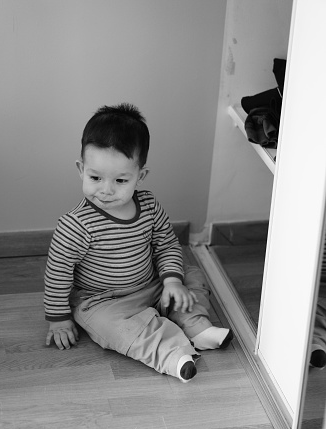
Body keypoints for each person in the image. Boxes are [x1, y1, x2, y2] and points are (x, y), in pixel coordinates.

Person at [44, 103, 233, 382]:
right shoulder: (75, 225)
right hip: (103, 301)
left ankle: (196, 327)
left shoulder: (148, 205)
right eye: (95, 177)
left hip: (151, 284)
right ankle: (172, 353)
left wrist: (170, 281)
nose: (106, 190)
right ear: (81, 169)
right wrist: (58, 318)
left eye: (120, 180)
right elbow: (57, 273)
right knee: (109, 327)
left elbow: (167, 244)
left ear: (139, 177)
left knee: (190, 275)